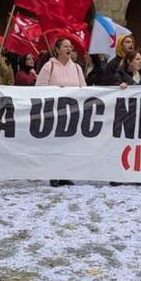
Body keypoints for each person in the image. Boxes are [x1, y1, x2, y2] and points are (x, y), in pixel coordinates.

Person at [37, 37, 86, 187]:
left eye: (70, 46)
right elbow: (39, 88)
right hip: (53, 112)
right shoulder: (48, 67)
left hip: (72, 112)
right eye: (65, 46)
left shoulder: (77, 68)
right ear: (57, 49)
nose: (68, 49)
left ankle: (65, 174)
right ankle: (53, 174)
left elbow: (84, 88)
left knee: (68, 144)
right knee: (54, 144)